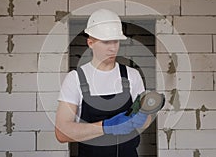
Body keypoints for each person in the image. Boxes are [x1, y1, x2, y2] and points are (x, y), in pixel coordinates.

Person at [55, 9, 151, 157]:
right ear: (90, 43)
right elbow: (62, 133)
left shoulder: (132, 76)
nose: (113, 48)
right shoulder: (75, 79)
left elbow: (146, 122)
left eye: (116, 41)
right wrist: (107, 127)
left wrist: (143, 115)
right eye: (106, 42)